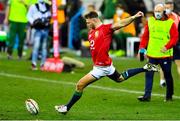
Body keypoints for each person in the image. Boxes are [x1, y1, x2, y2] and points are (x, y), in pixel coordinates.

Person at [54, 11, 160, 114]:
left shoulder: (106, 29)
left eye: (88, 22)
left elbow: (121, 23)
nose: (87, 25)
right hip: (107, 65)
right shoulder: (91, 32)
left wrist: (134, 17)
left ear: (94, 19)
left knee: (79, 85)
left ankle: (66, 108)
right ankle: (145, 68)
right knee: (120, 78)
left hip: (101, 68)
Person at [137, 4, 178, 102]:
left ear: (164, 11)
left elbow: (175, 37)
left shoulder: (170, 23)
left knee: (167, 75)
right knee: (149, 74)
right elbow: (145, 36)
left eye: (159, 11)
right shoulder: (150, 21)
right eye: (156, 11)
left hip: (165, 55)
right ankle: (147, 96)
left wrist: (167, 46)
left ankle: (169, 96)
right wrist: (141, 49)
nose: (157, 13)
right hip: (152, 55)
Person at [159, 0, 180, 87]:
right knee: (164, 63)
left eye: (170, 7)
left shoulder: (176, 17)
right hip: (164, 43)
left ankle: (162, 80)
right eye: (167, 7)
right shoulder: (161, 17)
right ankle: (162, 80)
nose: (168, 8)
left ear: (172, 7)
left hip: (173, 42)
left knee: (178, 62)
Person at [27, 0, 51, 70]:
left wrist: (47, 20)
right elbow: (28, 16)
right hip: (37, 29)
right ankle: (34, 63)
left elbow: (49, 15)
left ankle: (43, 64)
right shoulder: (34, 6)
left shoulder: (47, 6)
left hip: (45, 29)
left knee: (44, 48)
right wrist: (34, 22)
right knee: (36, 46)